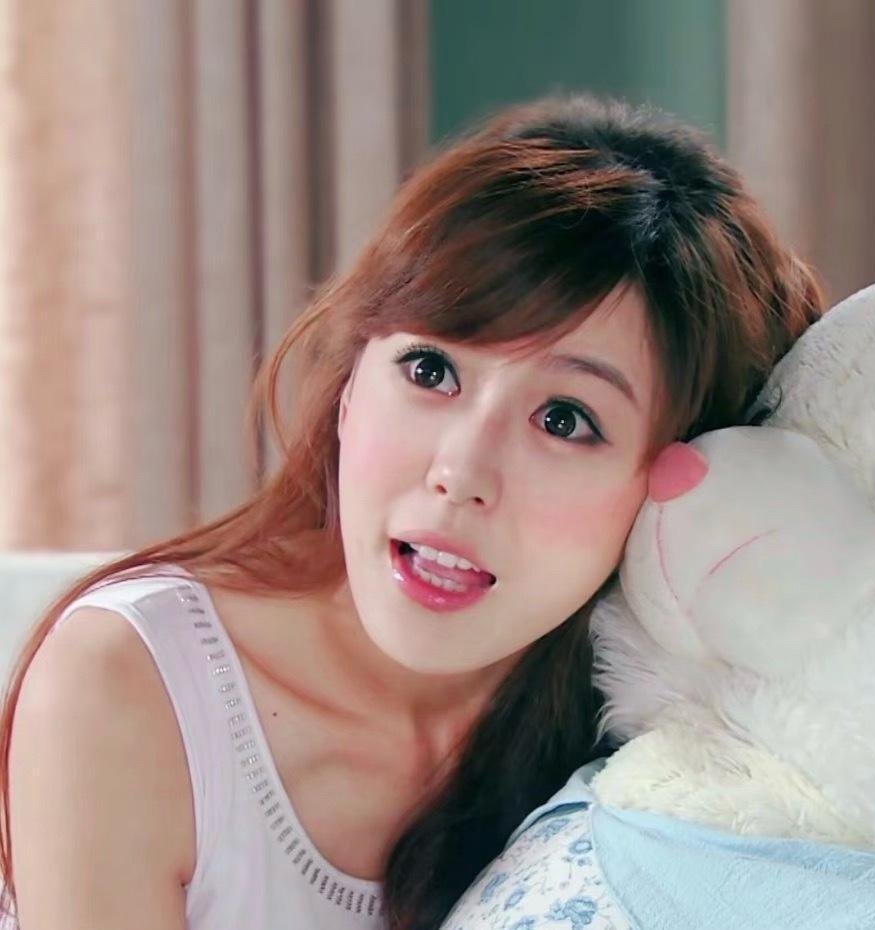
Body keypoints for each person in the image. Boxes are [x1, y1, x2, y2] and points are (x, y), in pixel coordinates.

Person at [0, 95, 824, 930]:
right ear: (349, 386)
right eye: (431, 371)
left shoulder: (675, 757)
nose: (459, 473)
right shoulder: (131, 687)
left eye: (564, 420)